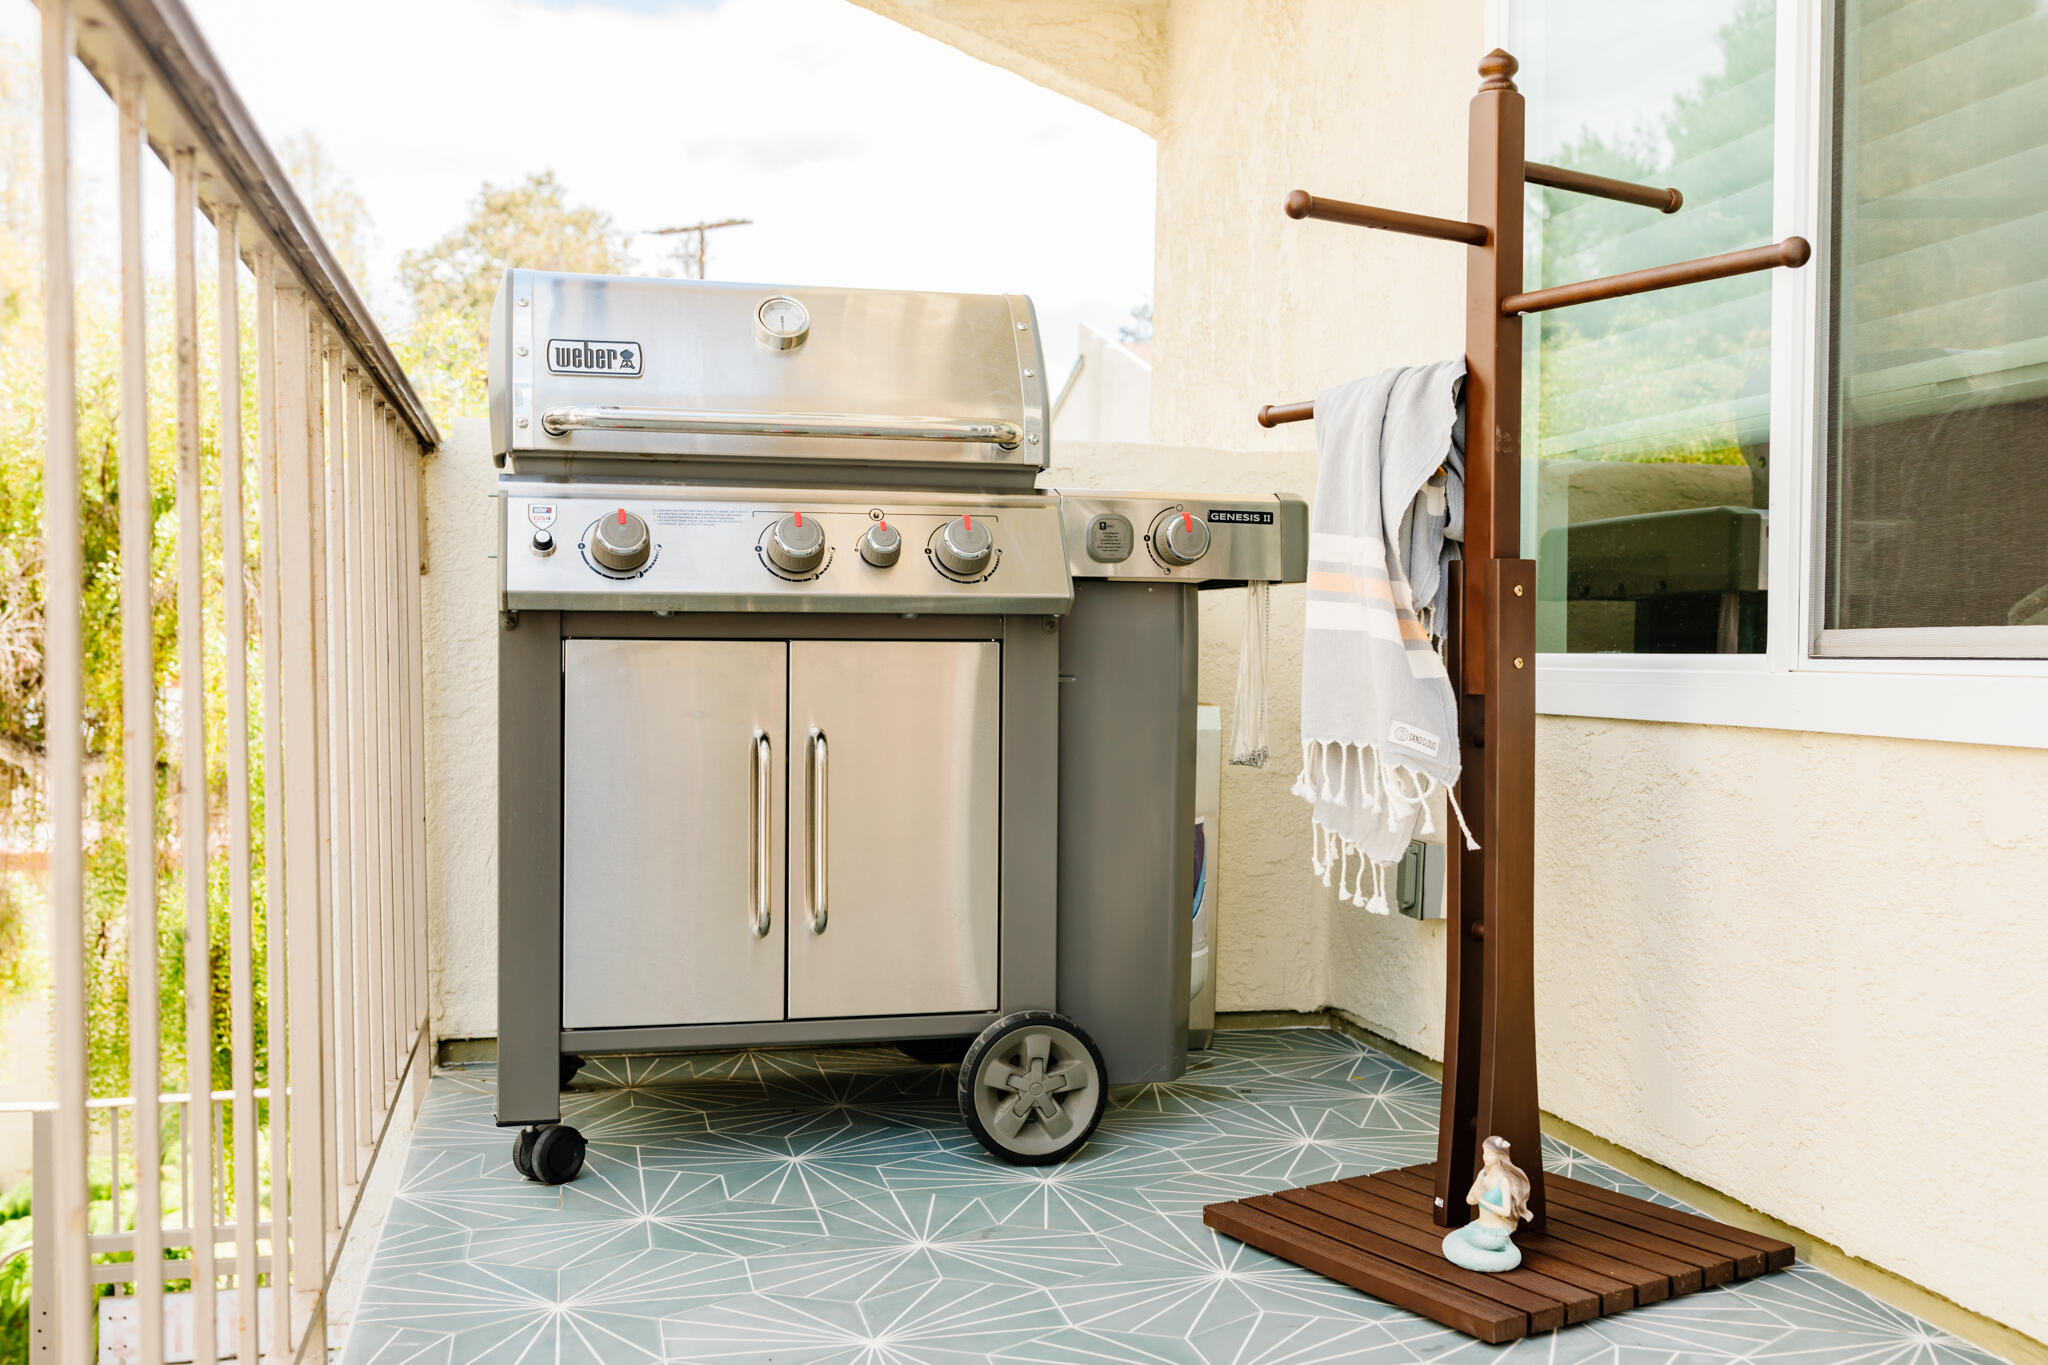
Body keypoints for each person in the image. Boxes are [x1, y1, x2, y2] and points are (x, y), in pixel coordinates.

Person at [1440, 1135, 1533, 1271]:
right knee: (1452, 1240)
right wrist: (1478, 1185)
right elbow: (1470, 1200)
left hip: (1493, 1233)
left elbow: (1506, 1211)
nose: (1485, 1156)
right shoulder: (1483, 1174)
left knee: (1460, 1246)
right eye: (1484, 1152)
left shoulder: (1504, 1181)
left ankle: (1497, 1253)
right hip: (1478, 1226)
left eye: (1489, 1153)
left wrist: (1483, 1200)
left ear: (1500, 1156)